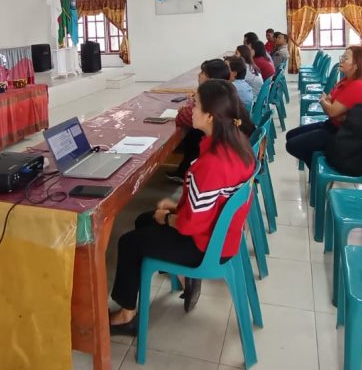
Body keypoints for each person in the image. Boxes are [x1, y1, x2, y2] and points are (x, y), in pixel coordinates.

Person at [109, 79, 256, 333]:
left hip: (206, 246)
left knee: (129, 242)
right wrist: (176, 208)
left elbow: (189, 225)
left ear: (210, 116)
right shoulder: (238, 144)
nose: (191, 108)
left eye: (196, 104)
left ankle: (126, 315)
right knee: (144, 220)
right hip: (221, 234)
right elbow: (209, 203)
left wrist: (167, 217)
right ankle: (179, 277)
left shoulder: (212, 163)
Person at [285, 45, 362, 167]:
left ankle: (318, 168)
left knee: (292, 145)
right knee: (290, 135)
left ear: (356, 65)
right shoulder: (347, 80)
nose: (342, 60)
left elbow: (331, 110)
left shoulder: (358, 86)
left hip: (343, 134)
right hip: (333, 124)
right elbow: (332, 103)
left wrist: (323, 100)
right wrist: (329, 103)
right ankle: (316, 166)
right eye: (342, 57)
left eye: (346, 58)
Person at [167, 59, 232, 182]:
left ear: (210, 78)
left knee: (194, 133)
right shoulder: (226, 91)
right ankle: (184, 169)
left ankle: (185, 170)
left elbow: (183, 117)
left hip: (207, 166)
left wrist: (187, 108)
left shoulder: (211, 165)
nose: (199, 74)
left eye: (202, 72)